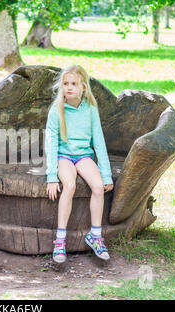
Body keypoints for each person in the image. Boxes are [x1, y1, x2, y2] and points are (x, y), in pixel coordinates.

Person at [44, 64, 113, 263]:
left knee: (99, 187)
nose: (69, 87)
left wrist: (106, 174)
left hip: (83, 156)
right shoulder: (56, 111)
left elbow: (98, 141)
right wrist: (51, 177)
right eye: (65, 83)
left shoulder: (90, 110)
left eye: (74, 83)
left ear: (83, 86)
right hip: (63, 157)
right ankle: (60, 240)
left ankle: (95, 236)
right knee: (70, 184)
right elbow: (51, 144)